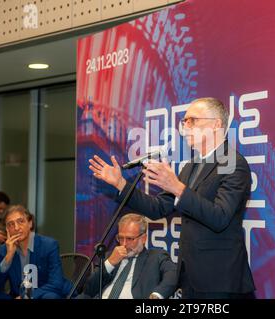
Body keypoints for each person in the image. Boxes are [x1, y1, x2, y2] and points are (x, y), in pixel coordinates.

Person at [89, 97, 255, 299]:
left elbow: (220, 217)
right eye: (184, 122)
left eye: (192, 120)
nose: (185, 128)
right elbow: (157, 207)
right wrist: (121, 184)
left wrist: (178, 188)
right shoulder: (191, 166)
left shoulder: (234, 163)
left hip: (220, 279)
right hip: (190, 278)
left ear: (216, 124)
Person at [0, 205, 72, 299]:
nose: (16, 228)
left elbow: (56, 283)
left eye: (20, 221)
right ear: (7, 230)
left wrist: (26, 296)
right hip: (17, 296)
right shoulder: (5, 249)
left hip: (42, 294)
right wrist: (8, 258)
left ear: (30, 223)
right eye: (11, 224)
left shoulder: (49, 245)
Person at [79, 213, 177, 299]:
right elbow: (89, 290)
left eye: (130, 238)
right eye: (121, 238)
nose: (124, 244)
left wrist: (157, 295)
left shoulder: (156, 257)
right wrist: (110, 263)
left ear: (143, 238)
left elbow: (173, 275)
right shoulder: (110, 256)